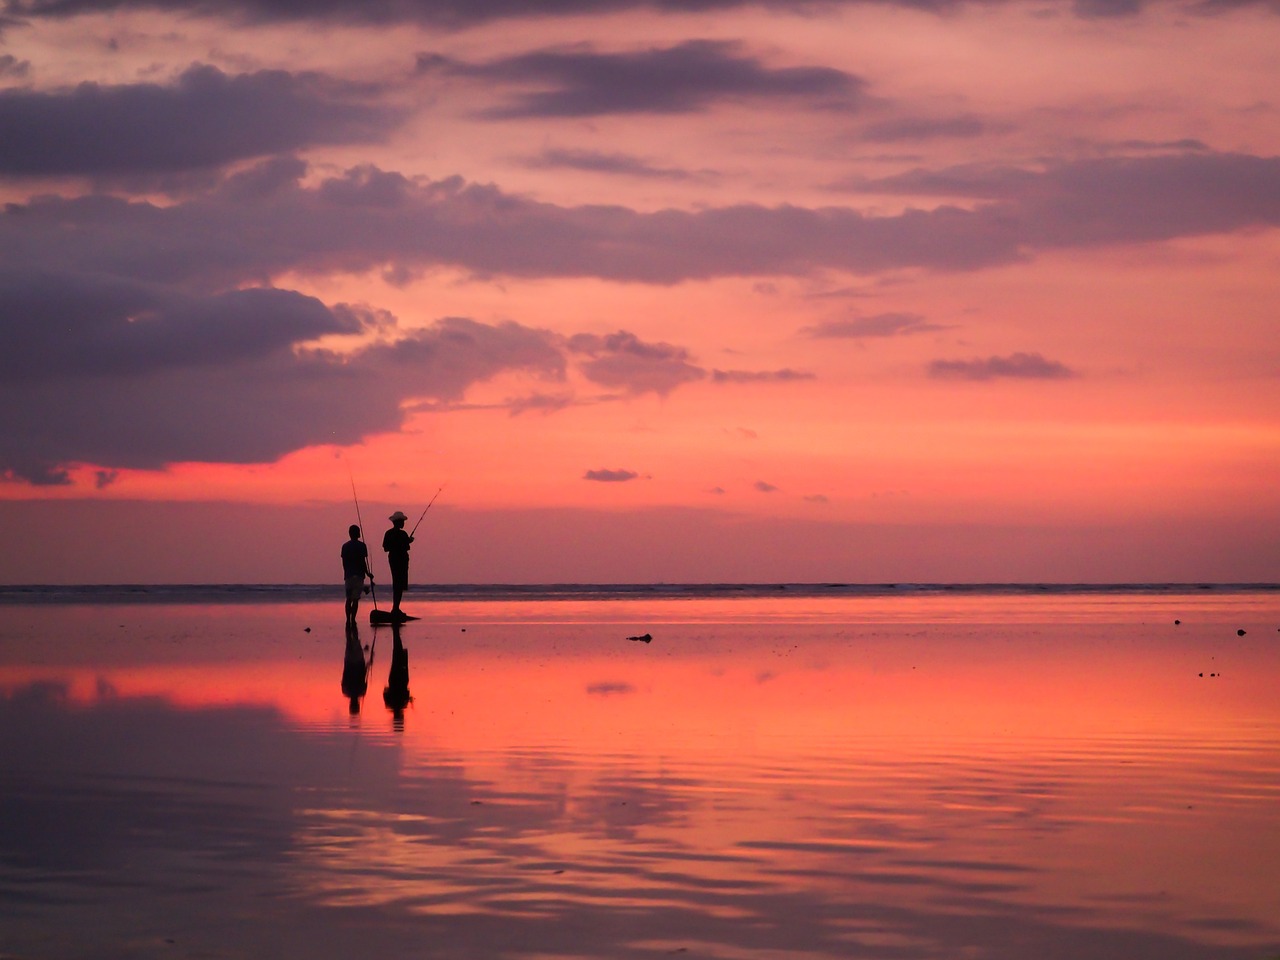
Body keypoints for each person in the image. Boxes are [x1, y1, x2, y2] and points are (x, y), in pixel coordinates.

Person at [382, 510, 414, 619]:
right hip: (401, 561)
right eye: (402, 521)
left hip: (393, 560)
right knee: (399, 585)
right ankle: (395, 609)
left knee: (397, 584)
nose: (404, 523)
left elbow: (386, 548)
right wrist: (408, 541)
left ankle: (396, 608)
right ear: (399, 522)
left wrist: (405, 542)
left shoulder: (389, 533)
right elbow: (406, 547)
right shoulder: (402, 534)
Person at [341, 524, 373, 624]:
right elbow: (363, 562)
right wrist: (368, 573)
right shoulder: (362, 546)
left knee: (348, 598)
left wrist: (346, 573)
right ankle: (353, 619)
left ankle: (348, 619)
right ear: (358, 533)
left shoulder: (345, 546)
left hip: (349, 576)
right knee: (355, 599)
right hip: (359, 575)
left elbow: (344, 562)